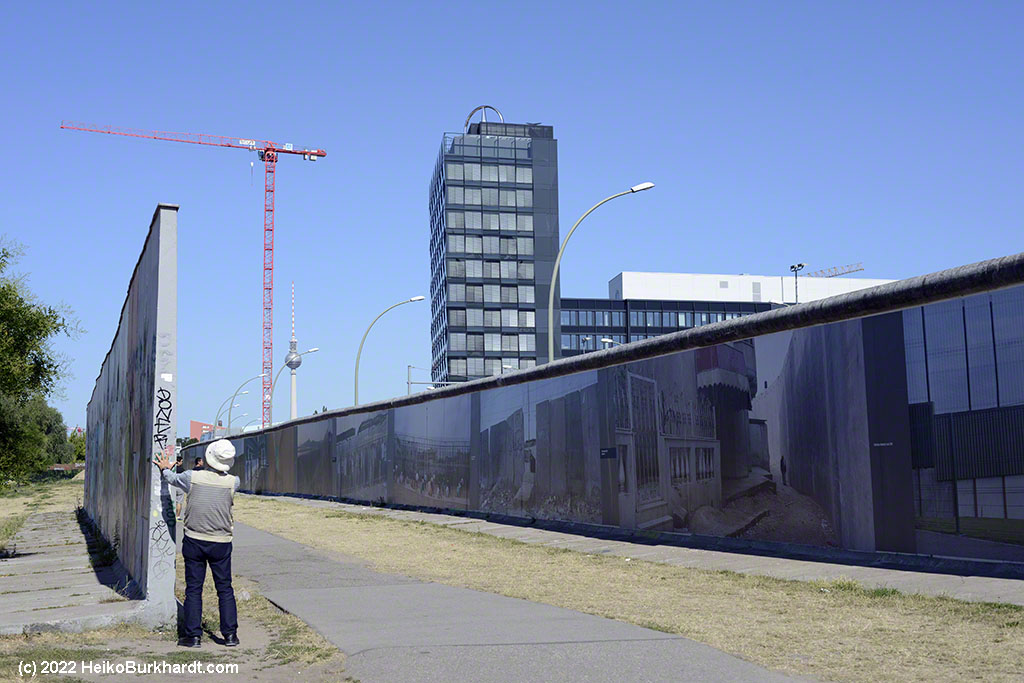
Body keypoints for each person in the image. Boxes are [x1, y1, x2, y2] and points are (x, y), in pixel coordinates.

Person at [154, 440, 240, 649]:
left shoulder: (191, 477)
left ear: (209, 457)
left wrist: (165, 468)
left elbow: (172, 479)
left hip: (195, 539)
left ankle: (192, 636)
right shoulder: (233, 482)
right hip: (221, 542)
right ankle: (230, 635)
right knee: (225, 589)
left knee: (194, 588)